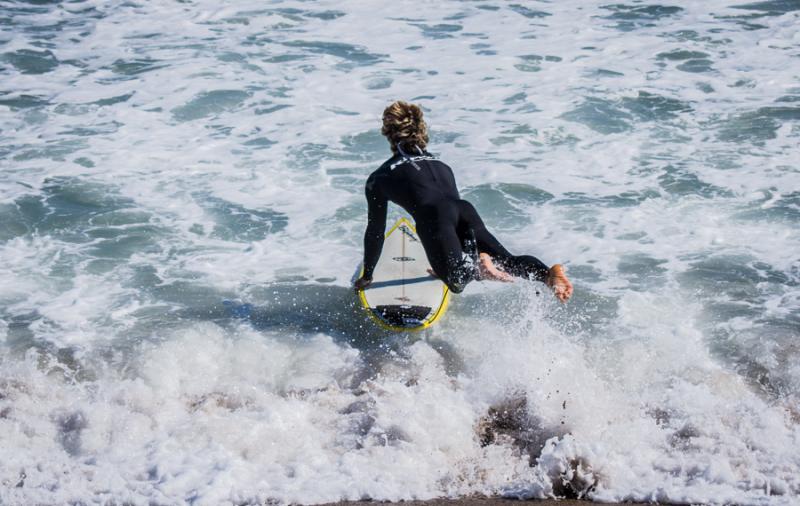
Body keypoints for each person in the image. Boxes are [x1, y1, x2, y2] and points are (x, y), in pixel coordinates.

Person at [354, 101, 573, 302]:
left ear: (388, 134)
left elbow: (375, 231)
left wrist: (368, 275)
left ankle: (479, 268)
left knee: (456, 282)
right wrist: (443, 262)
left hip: (434, 215)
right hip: (464, 209)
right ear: (421, 130)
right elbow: (453, 228)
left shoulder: (379, 178)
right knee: (508, 260)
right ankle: (547, 274)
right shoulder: (441, 166)